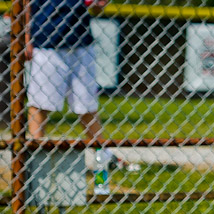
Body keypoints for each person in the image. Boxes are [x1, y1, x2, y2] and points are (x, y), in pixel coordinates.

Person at [25, 0, 135, 171]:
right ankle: (33, 159)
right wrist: (25, 37)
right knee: (39, 105)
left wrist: (98, 4)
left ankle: (103, 159)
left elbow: (96, 7)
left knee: (87, 105)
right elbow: (24, 5)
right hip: (45, 40)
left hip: (80, 41)